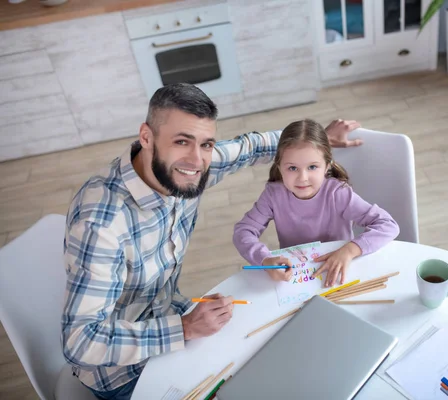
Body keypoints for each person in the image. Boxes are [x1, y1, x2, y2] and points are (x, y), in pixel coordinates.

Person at [61, 83, 362, 399]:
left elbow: (248, 147)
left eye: (206, 144)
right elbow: (80, 342)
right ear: (146, 137)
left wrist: (315, 142)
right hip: (124, 375)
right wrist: (185, 328)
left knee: (274, 357)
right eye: (182, 141)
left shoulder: (186, 168)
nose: (196, 160)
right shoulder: (102, 222)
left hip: (171, 315)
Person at [232, 119, 400, 287]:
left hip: (340, 270)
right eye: (292, 168)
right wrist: (264, 259)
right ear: (280, 166)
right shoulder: (273, 195)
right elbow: (243, 231)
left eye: (312, 167)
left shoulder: (338, 193)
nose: (302, 178)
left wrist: (349, 251)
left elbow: (388, 225)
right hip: (297, 276)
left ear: (327, 166)